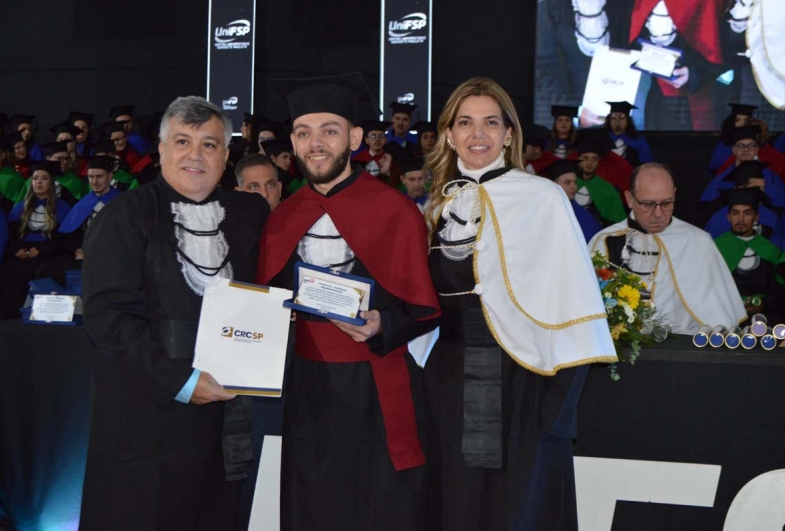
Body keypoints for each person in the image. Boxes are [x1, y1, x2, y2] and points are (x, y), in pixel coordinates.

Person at [423, 77, 616, 531]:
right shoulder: (436, 206)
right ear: (448, 134)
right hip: (446, 383)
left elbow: (574, 301)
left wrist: (556, 412)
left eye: (491, 122)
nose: (477, 134)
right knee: (453, 505)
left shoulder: (544, 198)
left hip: (522, 383)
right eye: (465, 122)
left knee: (516, 511)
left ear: (509, 134)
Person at [257, 73, 440, 530]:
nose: (315, 143)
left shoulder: (394, 210)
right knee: (313, 506)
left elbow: (424, 308)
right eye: (303, 133)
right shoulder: (282, 218)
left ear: (355, 138)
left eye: (329, 131)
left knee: (378, 508)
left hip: (374, 387)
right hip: (307, 391)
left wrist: (383, 325)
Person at [78, 96, 269, 531]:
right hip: (146, 416)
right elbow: (109, 319)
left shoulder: (250, 213)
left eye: (209, 144)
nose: (195, 155)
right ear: (161, 149)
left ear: (225, 155)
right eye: (182, 141)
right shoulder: (124, 215)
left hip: (227, 413)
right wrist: (181, 382)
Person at [590, 163, 746, 334]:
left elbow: (719, 317)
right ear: (630, 199)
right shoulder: (604, 241)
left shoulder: (699, 242)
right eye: (648, 204)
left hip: (686, 349)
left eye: (666, 203)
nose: (658, 213)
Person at [0, 160, 71, 319]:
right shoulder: (21, 207)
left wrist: (42, 249)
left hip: (47, 251)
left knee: (29, 271)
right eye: (35, 178)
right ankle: (8, 316)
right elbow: (10, 234)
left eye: (44, 178)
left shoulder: (61, 207)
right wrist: (16, 249)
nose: (39, 182)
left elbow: (65, 238)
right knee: (6, 271)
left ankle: (27, 315)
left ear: (51, 183)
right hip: (22, 250)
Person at [35, 156, 121, 285]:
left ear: (109, 177)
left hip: (111, 256)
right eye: (91, 177)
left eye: (99, 176)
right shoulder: (84, 203)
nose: (94, 181)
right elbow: (72, 232)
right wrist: (76, 249)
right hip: (84, 254)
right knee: (45, 270)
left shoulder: (122, 203)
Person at [714, 188, 783, 323]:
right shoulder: (715, 248)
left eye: (747, 213)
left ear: (756, 217)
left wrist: (765, 303)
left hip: (764, 318)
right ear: (729, 217)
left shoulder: (769, 250)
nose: (741, 219)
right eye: (735, 213)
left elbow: (779, 288)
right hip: (726, 317)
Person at [700, 126, 785, 208]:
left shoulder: (771, 177)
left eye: (751, 146)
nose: (746, 150)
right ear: (734, 150)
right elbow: (708, 206)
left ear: (756, 149)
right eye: (741, 146)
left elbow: (780, 204)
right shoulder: (722, 179)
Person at [704, 161, 783, 248]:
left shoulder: (771, 217)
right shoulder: (718, 220)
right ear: (740, 188)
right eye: (757, 188)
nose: (763, 192)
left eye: (763, 187)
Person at [574, 137, 627, 227]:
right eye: (585, 158)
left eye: (594, 159)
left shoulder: (608, 189)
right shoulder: (567, 183)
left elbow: (617, 221)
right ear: (578, 160)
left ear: (599, 162)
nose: (589, 162)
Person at [546, 158, 601, 242]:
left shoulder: (581, 213)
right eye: (567, 182)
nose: (574, 187)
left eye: (575, 182)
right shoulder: (544, 209)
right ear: (554, 185)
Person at [604, 101, 654, 165]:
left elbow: (647, 164)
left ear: (628, 120)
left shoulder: (638, 140)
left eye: (622, 117)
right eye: (614, 117)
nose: (618, 120)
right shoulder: (601, 138)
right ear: (609, 120)